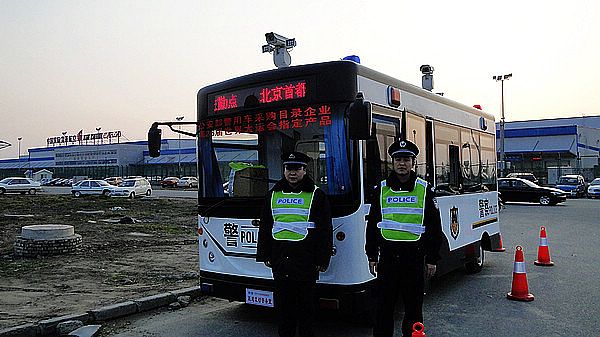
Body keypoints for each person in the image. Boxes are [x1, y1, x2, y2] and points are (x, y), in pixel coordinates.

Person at [365, 139, 443, 337]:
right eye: (398, 159)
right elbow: (373, 225)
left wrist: (432, 259)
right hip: (388, 259)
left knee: (413, 310)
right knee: (383, 309)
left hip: (414, 259)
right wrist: (372, 255)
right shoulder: (380, 189)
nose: (402, 163)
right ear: (392, 162)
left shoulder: (424, 189)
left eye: (406, 159)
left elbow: (434, 227)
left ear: (413, 162)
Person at [256, 151, 333, 337]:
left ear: (304, 170)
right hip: (281, 261)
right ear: (284, 171)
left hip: (306, 262)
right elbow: (266, 225)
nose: (292, 172)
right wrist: (265, 254)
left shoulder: (317, 195)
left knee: (306, 312)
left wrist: (322, 260)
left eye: (297, 168)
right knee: (284, 313)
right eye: (288, 168)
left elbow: (324, 230)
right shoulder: (273, 194)